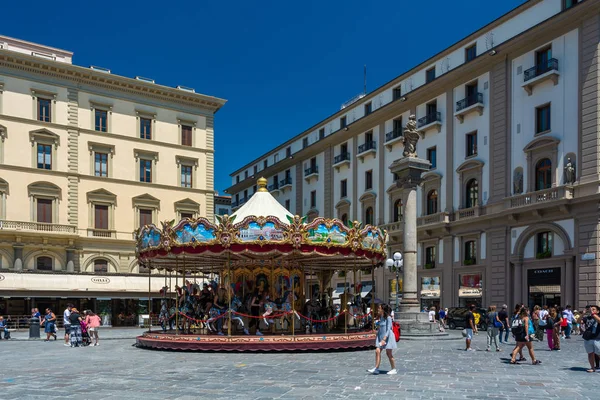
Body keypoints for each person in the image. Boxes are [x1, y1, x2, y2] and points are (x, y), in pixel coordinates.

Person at [367, 304, 397, 375]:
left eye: (379, 308)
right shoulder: (381, 317)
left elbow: (388, 329)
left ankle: (393, 369)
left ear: (383, 309)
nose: (378, 309)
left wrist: (384, 339)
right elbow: (381, 327)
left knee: (389, 353)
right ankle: (376, 368)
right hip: (380, 336)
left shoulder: (388, 318)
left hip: (387, 337)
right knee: (377, 351)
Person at [579, 305, 600, 373]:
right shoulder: (587, 318)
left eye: (594, 309)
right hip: (588, 338)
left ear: (598, 311)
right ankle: (592, 367)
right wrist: (583, 314)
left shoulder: (598, 317)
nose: (592, 310)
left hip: (597, 338)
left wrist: (593, 314)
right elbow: (578, 321)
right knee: (590, 353)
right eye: (591, 309)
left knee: (599, 352)